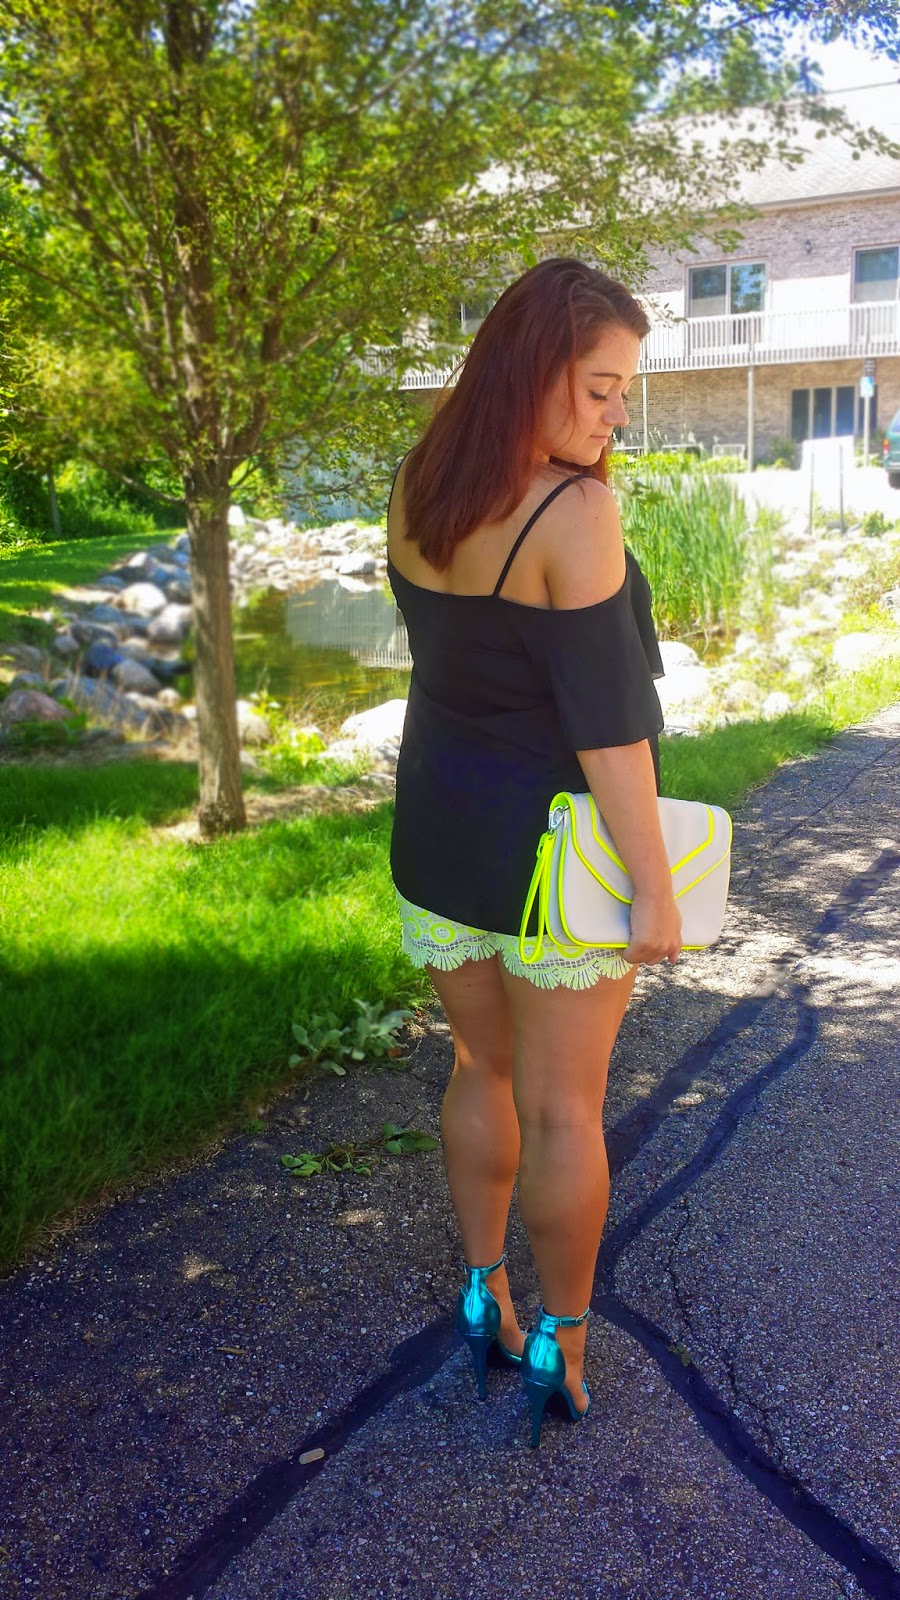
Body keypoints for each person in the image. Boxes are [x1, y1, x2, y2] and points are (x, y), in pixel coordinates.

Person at [385, 257, 682, 1448]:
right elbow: (610, 730)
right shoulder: (574, 514)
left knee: (479, 1070)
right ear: (532, 371)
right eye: (602, 390)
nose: (618, 418)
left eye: (624, 395)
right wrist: (655, 887)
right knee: (565, 1108)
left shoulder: (418, 478)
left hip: (436, 834)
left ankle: (482, 1295)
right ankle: (563, 1342)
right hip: (553, 857)